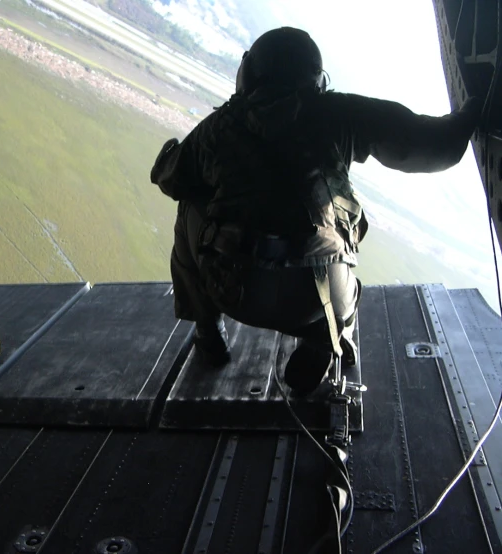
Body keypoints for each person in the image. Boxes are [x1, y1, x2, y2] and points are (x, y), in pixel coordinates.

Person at [151, 27, 481, 394]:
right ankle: (327, 340)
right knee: (342, 260)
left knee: (190, 208)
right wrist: (472, 110)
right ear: (315, 78)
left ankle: (208, 331)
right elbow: (434, 146)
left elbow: (171, 181)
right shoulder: (340, 114)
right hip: (319, 301)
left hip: (234, 290)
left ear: (249, 71)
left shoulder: (222, 125)